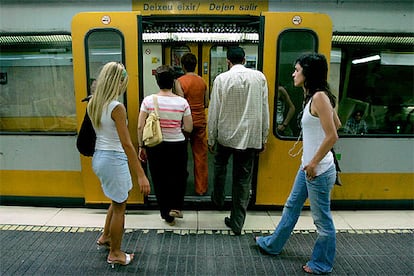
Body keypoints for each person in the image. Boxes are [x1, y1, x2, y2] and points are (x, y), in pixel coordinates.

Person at [254, 53, 341, 275]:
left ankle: (321, 264)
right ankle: (272, 244)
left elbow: (332, 136)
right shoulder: (316, 97)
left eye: (297, 70)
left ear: (307, 73)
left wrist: (313, 162)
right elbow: (337, 123)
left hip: (317, 170)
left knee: (322, 221)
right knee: (292, 206)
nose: (294, 73)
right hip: (309, 167)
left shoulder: (320, 97)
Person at [88, 62, 151, 267]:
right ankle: (115, 252)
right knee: (120, 207)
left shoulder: (93, 103)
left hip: (100, 158)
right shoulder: (117, 107)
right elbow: (127, 144)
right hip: (114, 159)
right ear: (119, 82)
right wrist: (141, 174)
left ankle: (106, 236)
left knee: (116, 202)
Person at [208, 46, 269, 235]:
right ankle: (237, 223)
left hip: (225, 135)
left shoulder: (221, 79)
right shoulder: (260, 78)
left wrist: (211, 137)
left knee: (219, 167)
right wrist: (264, 136)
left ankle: (217, 199)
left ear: (228, 61)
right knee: (243, 180)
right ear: (244, 59)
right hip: (250, 136)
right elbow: (264, 108)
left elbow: (214, 111)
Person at [137, 65, 193, 226]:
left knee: (160, 178)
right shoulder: (182, 102)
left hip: (156, 145)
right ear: (173, 81)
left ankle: (166, 214)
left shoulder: (148, 101)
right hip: (177, 145)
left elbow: (140, 126)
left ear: (157, 81)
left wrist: (142, 146)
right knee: (179, 175)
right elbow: (189, 127)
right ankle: (176, 206)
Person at [177, 53, 209, 196]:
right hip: (200, 121)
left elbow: (180, 104)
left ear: (183, 66)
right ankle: (201, 189)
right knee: (200, 156)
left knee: (181, 156)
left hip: (185, 123)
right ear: (195, 65)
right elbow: (206, 102)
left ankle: (180, 187)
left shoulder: (179, 81)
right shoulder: (202, 81)